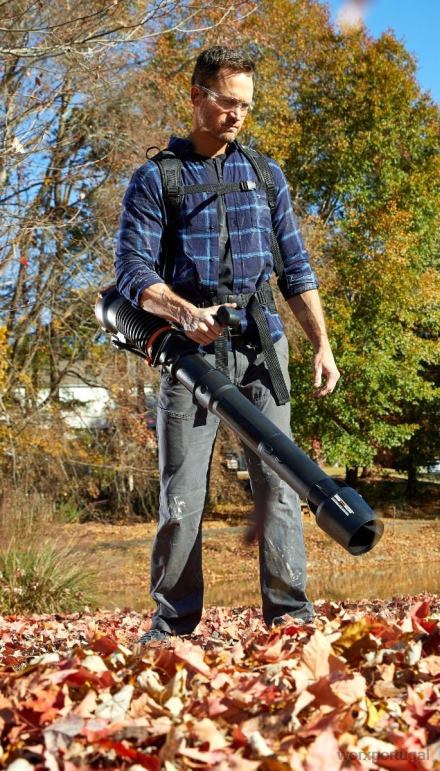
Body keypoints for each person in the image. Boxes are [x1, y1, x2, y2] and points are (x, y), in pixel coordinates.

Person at [114, 46, 339, 642]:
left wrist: (322, 344)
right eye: (226, 101)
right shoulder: (157, 178)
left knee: (281, 485)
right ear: (195, 97)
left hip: (263, 348)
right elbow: (134, 272)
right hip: (188, 357)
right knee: (182, 497)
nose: (237, 115)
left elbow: (296, 269)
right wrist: (186, 314)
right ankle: (172, 628)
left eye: (247, 105)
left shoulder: (267, 177)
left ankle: (290, 620)